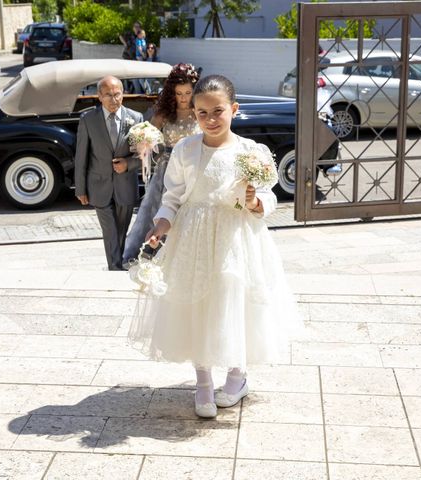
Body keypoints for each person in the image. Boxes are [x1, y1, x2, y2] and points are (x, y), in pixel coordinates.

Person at [129, 75, 297, 418]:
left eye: (218, 111)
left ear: (233, 109)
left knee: (236, 302)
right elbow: (173, 196)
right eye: (202, 112)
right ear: (194, 112)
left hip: (237, 238)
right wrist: (161, 224)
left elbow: (268, 196)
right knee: (197, 306)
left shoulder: (251, 151)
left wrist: (254, 203)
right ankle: (203, 379)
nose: (210, 119)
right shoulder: (186, 150)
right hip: (193, 238)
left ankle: (237, 375)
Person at [123, 63, 201, 266]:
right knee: (158, 211)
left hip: (194, 170)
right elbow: (146, 134)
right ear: (171, 93)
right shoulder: (164, 114)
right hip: (167, 171)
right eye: (179, 93)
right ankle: (152, 251)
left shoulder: (200, 113)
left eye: (187, 92)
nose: (184, 98)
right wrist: (144, 139)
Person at [74, 76, 144, 271]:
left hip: (126, 185)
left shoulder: (136, 118)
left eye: (117, 95)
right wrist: (80, 188)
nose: (114, 100)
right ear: (99, 97)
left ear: (123, 94)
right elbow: (81, 157)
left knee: (122, 229)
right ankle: (114, 266)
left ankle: (119, 262)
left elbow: (143, 156)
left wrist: (128, 164)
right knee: (110, 230)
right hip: (98, 186)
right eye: (108, 96)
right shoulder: (88, 119)